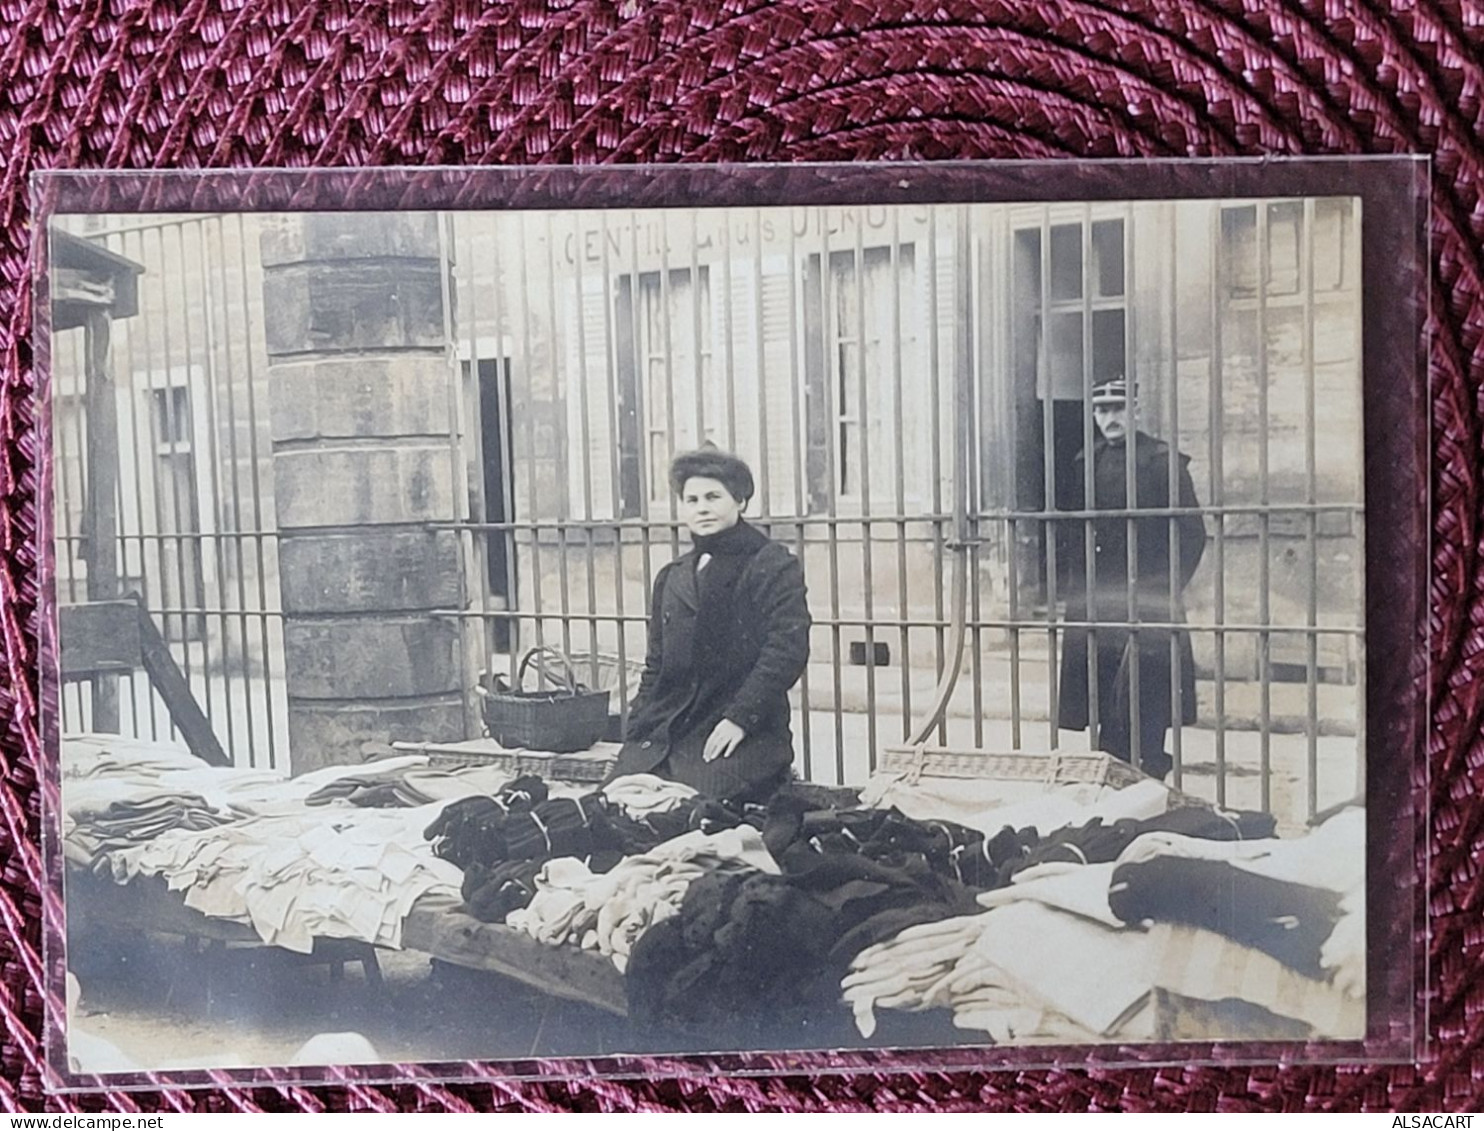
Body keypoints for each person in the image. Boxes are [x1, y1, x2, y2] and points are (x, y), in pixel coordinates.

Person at [610, 448, 811, 802]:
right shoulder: (673, 576)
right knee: (616, 801)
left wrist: (740, 718)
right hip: (670, 726)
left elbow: (786, 651)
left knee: (688, 808)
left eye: (713, 497)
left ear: (741, 501)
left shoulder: (771, 565)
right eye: (692, 499)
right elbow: (656, 664)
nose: (701, 508)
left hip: (742, 731)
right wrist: (638, 725)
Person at [1057, 377, 1207, 780]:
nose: (1110, 418)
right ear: (1093, 414)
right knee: (1102, 693)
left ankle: (1148, 780)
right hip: (1098, 601)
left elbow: (1192, 534)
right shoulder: (1084, 462)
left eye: (1119, 408)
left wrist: (1161, 589)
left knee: (1148, 698)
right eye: (1102, 410)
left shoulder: (1163, 462)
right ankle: (1109, 777)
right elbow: (1074, 533)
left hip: (1147, 599)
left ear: (1136, 411)